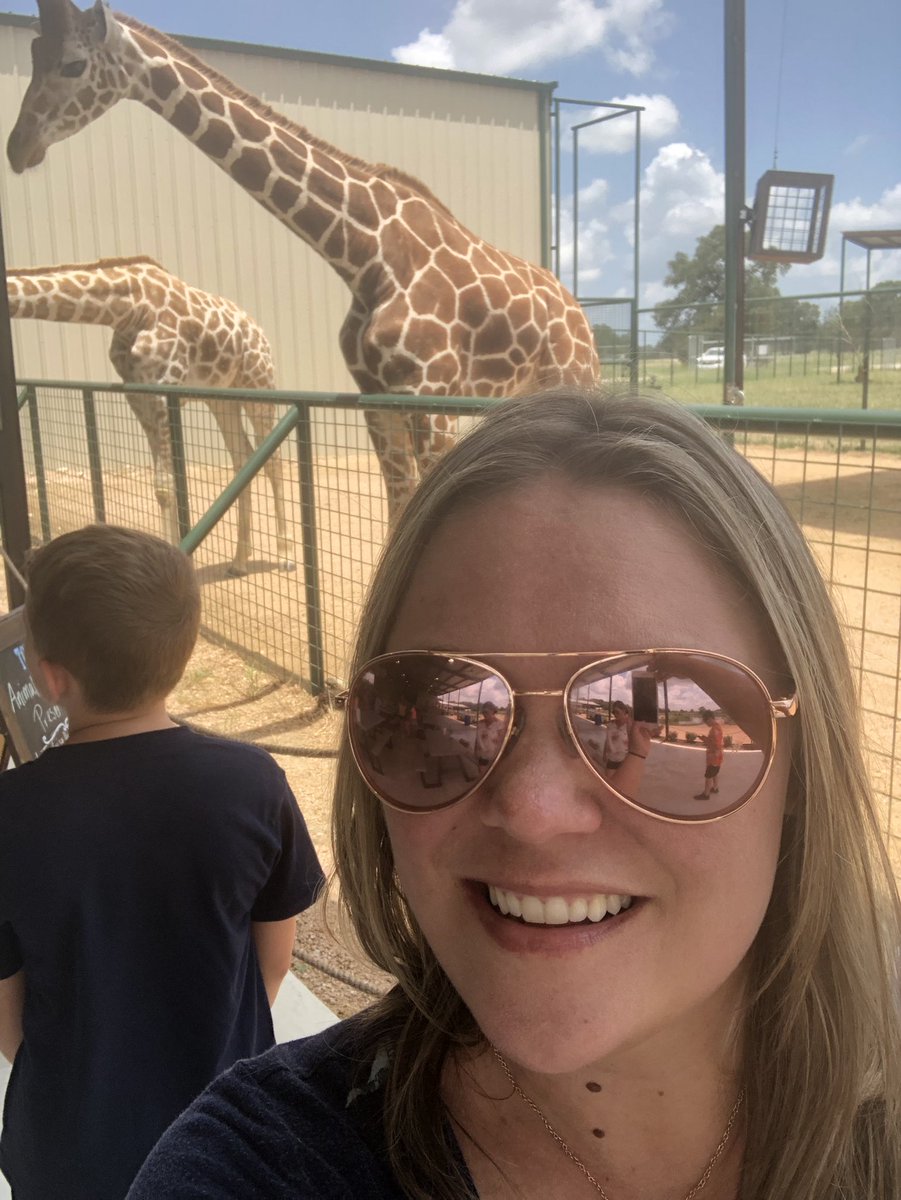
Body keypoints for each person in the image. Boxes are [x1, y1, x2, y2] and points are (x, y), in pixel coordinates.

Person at [128, 391, 901, 1200]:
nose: (531, 810)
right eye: (434, 714)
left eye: (658, 713)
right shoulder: (251, 1171)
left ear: (800, 764)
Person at [0, 525, 325, 1200]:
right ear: (180, 654)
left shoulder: (11, 811)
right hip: (221, 1130)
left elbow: (8, 1014)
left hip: (69, 1145)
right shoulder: (252, 782)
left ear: (52, 677)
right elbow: (274, 956)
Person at [694, 708, 725, 800]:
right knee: (714, 774)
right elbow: (714, 742)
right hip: (717, 757)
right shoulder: (716, 727)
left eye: (706, 721)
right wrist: (704, 738)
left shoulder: (714, 729)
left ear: (710, 718)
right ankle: (715, 788)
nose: (706, 723)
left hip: (714, 757)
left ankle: (706, 795)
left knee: (708, 776)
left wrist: (705, 740)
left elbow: (716, 744)